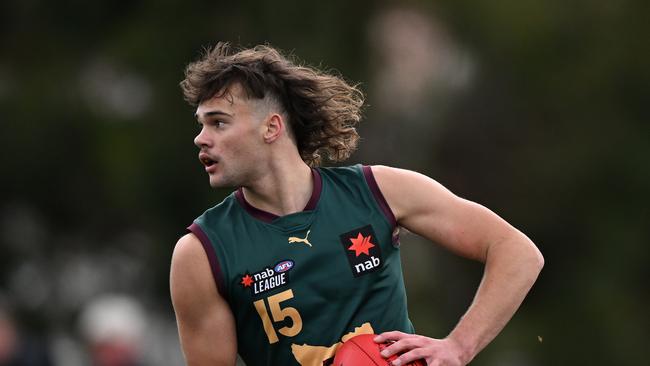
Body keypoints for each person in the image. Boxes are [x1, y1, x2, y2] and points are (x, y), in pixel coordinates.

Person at [170, 43, 543, 366]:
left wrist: (458, 348)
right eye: (200, 125)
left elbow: (517, 252)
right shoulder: (202, 253)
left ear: (272, 128)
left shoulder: (379, 190)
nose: (200, 139)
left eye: (218, 123)